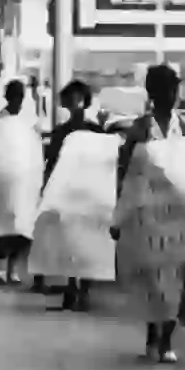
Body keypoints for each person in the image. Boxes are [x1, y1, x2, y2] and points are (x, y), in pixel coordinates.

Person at [113, 64, 185, 363]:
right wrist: (118, 216)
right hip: (148, 217)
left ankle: (167, 339)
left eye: (174, 89)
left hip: (179, 215)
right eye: (166, 90)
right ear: (153, 94)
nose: (172, 95)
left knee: (176, 279)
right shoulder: (141, 129)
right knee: (153, 280)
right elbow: (125, 174)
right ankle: (152, 333)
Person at [35, 80, 106, 306]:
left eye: (77, 99)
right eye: (70, 99)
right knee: (70, 242)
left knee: (86, 243)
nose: (74, 104)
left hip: (89, 194)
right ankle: (74, 287)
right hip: (68, 194)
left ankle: (81, 290)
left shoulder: (95, 131)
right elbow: (52, 163)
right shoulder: (62, 132)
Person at [0, 80, 44, 285]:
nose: (17, 100)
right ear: (7, 97)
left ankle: (12, 271)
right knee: (2, 224)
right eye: (13, 96)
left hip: (23, 181)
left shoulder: (29, 121)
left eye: (19, 96)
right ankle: (1, 270)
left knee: (21, 226)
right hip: (2, 182)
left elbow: (35, 150)